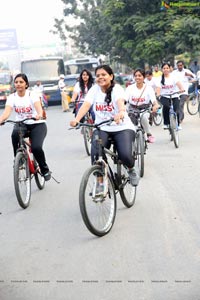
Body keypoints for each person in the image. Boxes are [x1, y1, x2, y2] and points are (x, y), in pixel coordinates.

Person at [70, 64, 139, 187]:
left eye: (103, 75)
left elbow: (120, 102)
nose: (100, 77)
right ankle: (101, 182)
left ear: (111, 76)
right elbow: (86, 105)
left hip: (121, 127)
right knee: (96, 154)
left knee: (125, 155)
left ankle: (130, 169)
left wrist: (121, 112)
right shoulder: (94, 89)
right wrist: (76, 119)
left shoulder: (117, 89)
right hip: (102, 127)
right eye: (97, 76)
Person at [0, 73, 51, 181]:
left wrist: (39, 115)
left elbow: (39, 108)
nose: (18, 84)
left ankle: (44, 169)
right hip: (21, 124)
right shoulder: (12, 97)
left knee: (36, 148)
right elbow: (7, 112)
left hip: (37, 124)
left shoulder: (32, 95)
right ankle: (18, 160)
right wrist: (1, 119)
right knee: (14, 135)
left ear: (26, 84)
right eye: (16, 82)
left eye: (21, 82)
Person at [125, 68, 159, 143]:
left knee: (143, 117)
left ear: (143, 77)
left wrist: (155, 105)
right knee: (132, 127)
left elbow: (153, 100)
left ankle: (149, 133)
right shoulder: (130, 88)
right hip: (132, 109)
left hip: (145, 109)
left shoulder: (148, 88)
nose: (137, 77)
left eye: (139, 75)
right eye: (136, 76)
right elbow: (124, 100)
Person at [156, 62, 185, 130]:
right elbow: (158, 89)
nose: (166, 69)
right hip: (164, 96)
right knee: (166, 107)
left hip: (174, 95)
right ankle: (166, 123)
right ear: (162, 69)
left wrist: (181, 89)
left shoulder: (173, 77)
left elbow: (180, 85)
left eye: (167, 68)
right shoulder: (159, 79)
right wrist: (158, 94)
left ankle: (178, 123)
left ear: (170, 69)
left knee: (176, 109)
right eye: (164, 68)